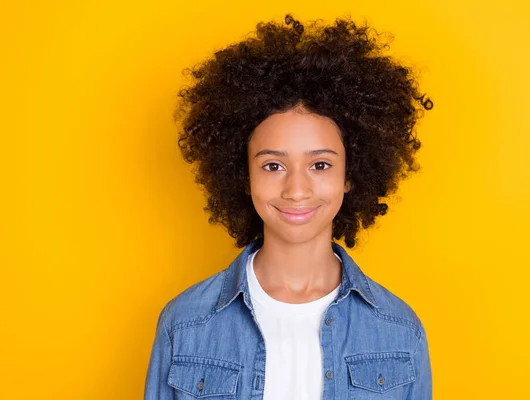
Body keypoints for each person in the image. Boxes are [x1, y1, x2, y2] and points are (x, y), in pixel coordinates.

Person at [144, 14, 433, 400]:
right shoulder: (184, 325)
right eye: (273, 165)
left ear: (351, 175)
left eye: (320, 165)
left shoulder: (400, 330)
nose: (297, 189)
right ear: (243, 177)